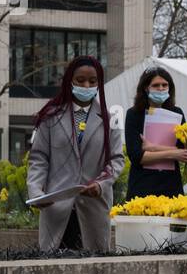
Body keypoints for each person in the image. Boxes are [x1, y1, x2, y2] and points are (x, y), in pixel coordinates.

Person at [27, 55, 124, 252]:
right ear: (70, 80)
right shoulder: (51, 117)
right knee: (54, 270)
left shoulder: (110, 119)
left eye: (93, 81)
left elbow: (116, 160)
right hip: (56, 206)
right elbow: (39, 158)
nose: (86, 85)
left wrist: (100, 184)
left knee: (93, 273)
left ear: (99, 84)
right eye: (80, 80)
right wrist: (37, 193)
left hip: (93, 207)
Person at [124, 66, 187, 200]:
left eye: (164, 85)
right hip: (143, 184)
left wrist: (152, 148)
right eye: (156, 85)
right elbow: (137, 156)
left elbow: (183, 151)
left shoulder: (177, 112)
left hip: (171, 184)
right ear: (146, 88)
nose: (161, 88)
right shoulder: (134, 114)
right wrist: (172, 153)